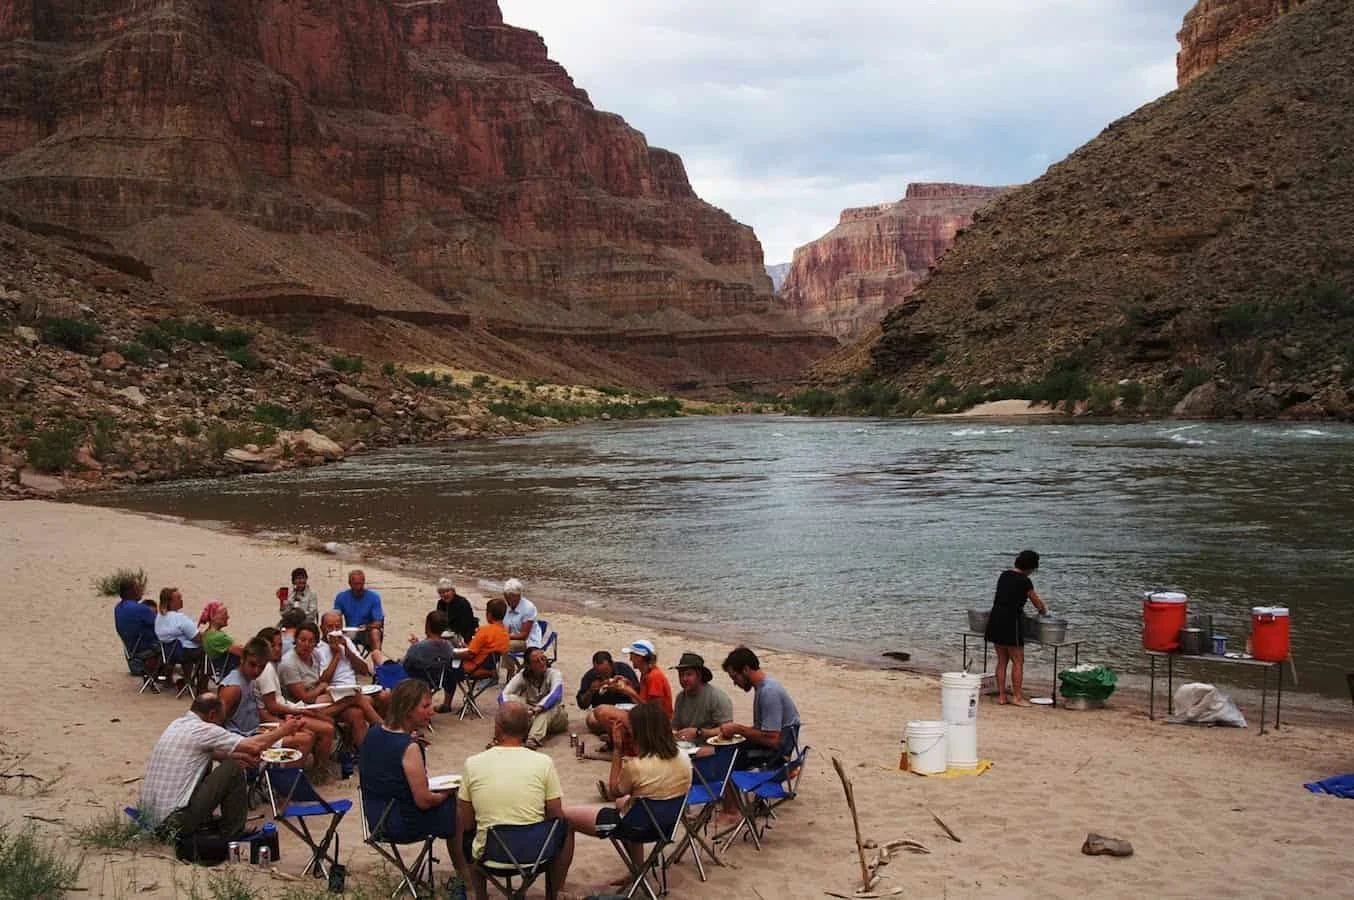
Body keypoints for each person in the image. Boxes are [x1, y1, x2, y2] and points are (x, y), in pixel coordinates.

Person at [138, 693, 303, 839]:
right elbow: (254, 746)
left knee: (228, 762)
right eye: (220, 721)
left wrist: (241, 755)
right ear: (211, 715)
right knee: (233, 768)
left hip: (149, 818)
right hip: (174, 823)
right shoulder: (204, 730)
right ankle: (233, 830)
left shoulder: (177, 724)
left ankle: (210, 820)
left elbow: (209, 752)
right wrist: (284, 731)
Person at [563, 702, 691, 882]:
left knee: (565, 818)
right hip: (667, 825)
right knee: (625, 802)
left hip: (638, 828)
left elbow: (614, 789)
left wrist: (617, 749)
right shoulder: (683, 757)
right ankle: (637, 871)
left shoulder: (637, 767)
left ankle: (557, 889)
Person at [459, 702, 574, 900]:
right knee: (563, 827)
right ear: (527, 729)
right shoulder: (543, 762)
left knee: (467, 834)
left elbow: (468, 822)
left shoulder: (473, 763)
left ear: (497, 727)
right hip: (537, 854)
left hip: (491, 855)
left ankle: (481, 896)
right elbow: (556, 814)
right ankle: (554, 893)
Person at [359, 680, 469, 886]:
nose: (432, 711)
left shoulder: (372, 733)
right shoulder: (408, 748)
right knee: (458, 809)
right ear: (408, 710)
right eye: (425, 706)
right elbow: (424, 801)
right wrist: (448, 793)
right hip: (402, 824)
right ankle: (464, 874)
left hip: (375, 818)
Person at [280, 622, 382, 747]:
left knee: (357, 713)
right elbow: (305, 697)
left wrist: (340, 654)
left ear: (315, 643)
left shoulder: (314, 655)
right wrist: (322, 686)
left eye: (311, 641)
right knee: (356, 697)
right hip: (303, 707)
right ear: (295, 640)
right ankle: (383, 731)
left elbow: (363, 671)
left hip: (319, 700)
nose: (306, 644)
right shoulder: (289, 663)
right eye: (302, 640)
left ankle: (363, 754)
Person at [254, 627, 343, 765]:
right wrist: (296, 711)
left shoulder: (270, 666)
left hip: (288, 708)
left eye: (280, 645)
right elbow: (271, 706)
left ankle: (319, 765)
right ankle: (318, 769)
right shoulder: (266, 670)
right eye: (273, 646)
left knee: (328, 721)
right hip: (282, 713)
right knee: (326, 728)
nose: (278, 649)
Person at [219, 638, 315, 764]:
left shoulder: (249, 678)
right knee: (305, 739)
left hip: (254, 731)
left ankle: (284, 775)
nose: (257, 671)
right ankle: (285, 780)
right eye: (252, 664)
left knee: (305, 731)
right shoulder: (233, 688)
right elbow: (216, 727)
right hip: (243, 740)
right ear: (242, 658)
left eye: (262, 667)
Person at [983, 549, 1049, 707]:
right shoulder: (1025, 581)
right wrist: (1044, 611)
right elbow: (1037, 602)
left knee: (1001, 660)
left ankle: (1001, 696)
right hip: (1011, 622)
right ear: (1031, 567)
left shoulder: (1004, 575)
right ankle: (1017, 697)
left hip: (996, 619)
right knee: (1018, 661)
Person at [719, 646, 801, 768]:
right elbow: (763, 730)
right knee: (726, 748)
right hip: (777, 745)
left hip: (776, 753)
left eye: (735, 677)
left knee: (727, 758)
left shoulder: (768, 691)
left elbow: (772, 739)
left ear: (746, 669)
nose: (735, 683)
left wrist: (738, 729)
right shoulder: (762, 688)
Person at [590, 640, 673, 755]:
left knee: (602, 711)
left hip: (657, 724)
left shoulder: (654, 677)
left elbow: (655, 711)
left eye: (632, 656)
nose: (630, 659)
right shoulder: (646, 674)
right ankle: (623, 743)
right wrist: (628, 686)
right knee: (605, 712)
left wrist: (630, 693)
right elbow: (643, 703)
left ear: (640, 657)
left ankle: (628, 747)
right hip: (648, 719)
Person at [440, 597, 511, 713]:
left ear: (489, 614)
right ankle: (466, 700)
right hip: (490, 668)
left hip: (472, 668)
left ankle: (446, 704)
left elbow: (470, 654)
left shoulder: (485, 631)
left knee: (447, 667)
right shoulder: (505, 633)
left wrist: (452, 654)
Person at [501, 648, 568, 750]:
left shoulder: (554, 673)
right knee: (511, 699)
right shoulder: (523, 675)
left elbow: (556, 694)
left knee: (548, 708)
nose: (542, 663)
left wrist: (538, 708)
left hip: (556, 717)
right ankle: (509, 732)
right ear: (529, 665)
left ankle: (532, 739)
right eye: (537, 661)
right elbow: (504, 695)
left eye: (543, 659)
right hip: (532, 715)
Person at [670, 652, 734, 742]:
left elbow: (729, 731)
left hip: (712, 748)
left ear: (699, 676)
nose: (684, 679)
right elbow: (675, 727)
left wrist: (699, 732)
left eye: (689, 674)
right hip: (686, 747)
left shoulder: (717, 698)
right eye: (681, 675)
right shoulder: (680, 697)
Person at [576, 651, 639, 738]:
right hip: (602, 713)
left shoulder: (624, 669)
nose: (604, 676)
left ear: (612, 664)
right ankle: (617, 731)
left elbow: (637, 694)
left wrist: (623, 689)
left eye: (606, 672)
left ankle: (615, 731)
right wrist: (590, 691)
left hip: (624, 709)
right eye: (599, 673)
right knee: (591, 721)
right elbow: (582, 705)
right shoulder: (590, 676)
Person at [155, 587, 207, 694]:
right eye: (178, 598)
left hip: (169, 653)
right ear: (170, 602)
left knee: (186, 646)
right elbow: (198, 638)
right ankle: (202, 686)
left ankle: (187, 680)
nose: (181, 600)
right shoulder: (179, 618)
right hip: (183, 653)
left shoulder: (159, 617)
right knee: (207, 652)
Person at [113, 572, 158, 674]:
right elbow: (161, 626)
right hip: (146, 649)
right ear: (131, 592)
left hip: (131, 650)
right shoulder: (141, 609)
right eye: (138, 588)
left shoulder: (118, 608)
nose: (141, 591)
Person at [334, 569, 384, 652]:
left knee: (375, 632)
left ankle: (378, 661)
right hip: (349, 632)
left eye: (361, 584)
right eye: (356, 584)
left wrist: (367, 626)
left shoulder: (374, 597)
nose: (359, 587)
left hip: (366, 632)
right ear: (350, 584)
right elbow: (336, 617)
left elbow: (379, 623)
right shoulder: (341, 597)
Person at [500, 578, 540, 675]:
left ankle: (511, 671)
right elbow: (505, 626)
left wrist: (505, 637)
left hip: (528, 640)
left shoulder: (528, 608)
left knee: (506, 645)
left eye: (511, 597)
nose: (508, 599)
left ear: (518, 596)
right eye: (506, 596)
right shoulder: (506, 606)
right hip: (512, 637)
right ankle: (490, 673)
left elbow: (524, 635)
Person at [435, 578, 477, 645]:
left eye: (447, 591)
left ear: (453, 591)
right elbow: (438, 621)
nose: (445, 594)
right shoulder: (440, 603)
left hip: (463, 635)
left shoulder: (462, 603)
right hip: (446, 634)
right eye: (442, 592)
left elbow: (467, 625)